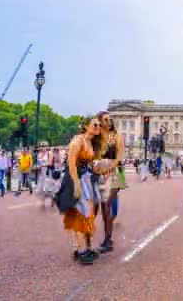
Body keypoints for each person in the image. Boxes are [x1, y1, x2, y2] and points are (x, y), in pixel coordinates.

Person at [63, 117, 103, 265]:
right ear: (86, 126)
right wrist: (77, 185)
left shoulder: (89, 142)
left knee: (84, 213)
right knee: (81, 213)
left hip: (85, 178)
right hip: (75, 179)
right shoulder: (77, 141)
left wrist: (97, 167)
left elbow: (88, 162)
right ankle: (81, 251)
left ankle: (79, 247)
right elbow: (71, 164)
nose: (98, 127)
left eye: (99, 125)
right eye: (95, 124)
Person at [97, 111, 125, 254]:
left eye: (110, 119)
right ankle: (108, 238)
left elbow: (119, 157)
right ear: (100, 122)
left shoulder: (117, 137)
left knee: (107, 204)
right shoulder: (96, 138)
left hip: (114, 174)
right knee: (104, 208)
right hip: (101, 175)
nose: (109, 121)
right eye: (106, 119)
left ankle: (107, 240)